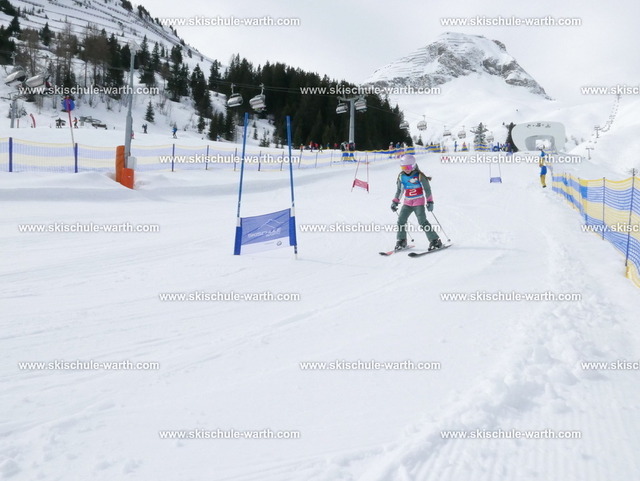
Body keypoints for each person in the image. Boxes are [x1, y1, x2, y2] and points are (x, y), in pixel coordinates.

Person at [391, 154, 443, 251]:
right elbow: (399, 190)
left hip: (418, 202)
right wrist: (395, 201)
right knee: (401, 220)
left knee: (422, 221)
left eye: (408, 167)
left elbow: (427, 189)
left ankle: (435, 240)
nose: (406, 169)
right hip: (407, 203)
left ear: (413, 165)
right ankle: (402, 240)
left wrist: (430, 202)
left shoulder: (419, 176)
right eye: (403, 167)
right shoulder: (401, 177)